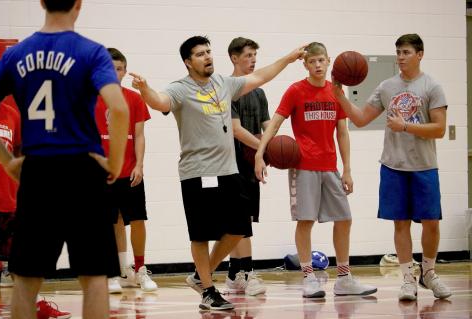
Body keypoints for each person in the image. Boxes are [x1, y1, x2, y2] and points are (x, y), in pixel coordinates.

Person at [130, 35, 305, 310]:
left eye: (209, 52)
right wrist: (144, 89)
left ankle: (200, 275)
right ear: (188, 62)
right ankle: (209, 291)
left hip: (228, 170)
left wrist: (289, 58)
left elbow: (259, 77)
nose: (208, 57)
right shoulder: (180, 88)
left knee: (239, 228)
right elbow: (160, 102)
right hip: (197, 172)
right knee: (200, 235)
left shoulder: (224, 83)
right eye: (200, 54)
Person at [0, 1, 130, 318]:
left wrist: (7, 159)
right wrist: (114, 162)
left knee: (25, 279)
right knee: (93, 276)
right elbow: (119, 109)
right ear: (78, 3)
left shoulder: (17, 53)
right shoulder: (92, 51)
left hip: (38, 169)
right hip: (83, 169)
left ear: (41, 2)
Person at [331, 33, 452, 301]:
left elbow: (440, 129)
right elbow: (361, 118)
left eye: (406, 52)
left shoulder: (432, 86)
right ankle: (408, 278)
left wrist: (405, 126)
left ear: (420, 54)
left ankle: (429, 273)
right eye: (398, 52)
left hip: (424, 166)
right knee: (401, 224)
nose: (400, 57)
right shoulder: (387, 86)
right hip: (394, 166)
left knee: (431, 223)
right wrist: (339, 96)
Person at [254, 42, 377, 298]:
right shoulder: (296, 91)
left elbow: (343, 133)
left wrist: (348, 169)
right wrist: (259, 152)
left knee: (344, 219)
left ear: (329, 60)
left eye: (321, 60)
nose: (318, 65)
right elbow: (275, 123)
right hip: (304, 167)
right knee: (305, 221)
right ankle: (309, 277)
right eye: (313, 62)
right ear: (306, 64)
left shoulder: (336, 92)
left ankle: (344, 278)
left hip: (330, 166)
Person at [0, 58, 73, 319]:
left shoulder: (12, 114)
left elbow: (17, 153)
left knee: (23, 262)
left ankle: (35, 304)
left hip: (9, 200)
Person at [95, 48, 157, 294]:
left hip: (130, 170)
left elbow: (139, 135)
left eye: (119, 68)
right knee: (109, 222)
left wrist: (140, 165)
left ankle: (140, 269)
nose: (114, 72)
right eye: (110, 68)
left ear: (124, 71)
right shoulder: (91, 98)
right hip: (103, 172)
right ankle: (116, 271)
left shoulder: (133, 98)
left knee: (138, 220)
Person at [221, 37, 270, 296]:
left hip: (252, 163)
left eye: (255, 56)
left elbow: (266, 127)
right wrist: (262, 149)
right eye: (248, 55)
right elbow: (237, 131)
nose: (253, 60)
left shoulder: (259, 92)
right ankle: (248, 274)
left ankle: (234, 273)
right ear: (234, 58)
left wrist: (269, 149)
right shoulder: (228, 90)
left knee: (245, 219)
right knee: (240, 222)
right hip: (232, 163)